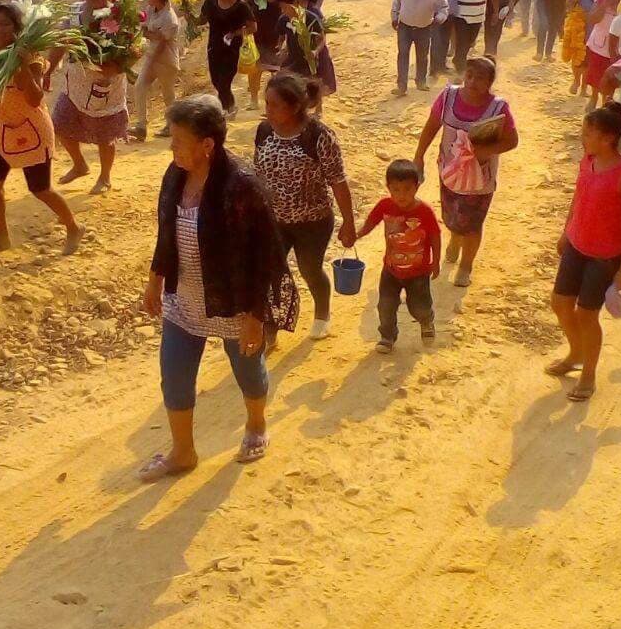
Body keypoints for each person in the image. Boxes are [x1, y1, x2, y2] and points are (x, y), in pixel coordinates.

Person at [140, 95, 299, 478]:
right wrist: (155, 279)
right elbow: (166, 232)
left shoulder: (241, 187)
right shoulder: (175, 175)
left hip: (234, 300)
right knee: (174, 374)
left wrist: (254, 316)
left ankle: (257, 425)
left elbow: (263, 258)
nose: (171, 148)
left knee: (247, 369)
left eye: (178, 141)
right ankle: (183, 453)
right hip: (186, 296)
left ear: (207, 146)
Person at [546, 101, 621, 401]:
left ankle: (589, 373)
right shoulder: (587, 160)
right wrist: (565, 230)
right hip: (577, 243)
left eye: (588, 133)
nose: (582, 138)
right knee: (560, 303)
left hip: (604, 255)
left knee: (587, 315)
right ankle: (575, 352)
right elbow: (578, 196)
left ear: (608, 138)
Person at [0, 3, 83, 254]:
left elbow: (34, 98)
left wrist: (21, 65)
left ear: (17, 28)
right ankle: (1, 236)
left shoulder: (30, 57)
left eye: (6, 24)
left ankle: (74, 227)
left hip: (28, 130)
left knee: (40, 188)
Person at [255, 73, 355, 339]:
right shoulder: (264, 132)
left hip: (313, 220)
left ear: (295, 106)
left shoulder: (318, 136)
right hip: (274, 220)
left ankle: (322, 313)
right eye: (266, 103)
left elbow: (337, 180)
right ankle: (271, 327)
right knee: (269, 273)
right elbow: (258, 175)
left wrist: (349, 222)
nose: (268, 110)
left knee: (309, 268)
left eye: (274, 105)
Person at [413, 55, 518, 287]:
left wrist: (486, 151)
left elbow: (512, 141)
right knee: (452, 214)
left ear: (489, 83)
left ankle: (465, 266)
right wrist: (418, 156)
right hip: (449, 173)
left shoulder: (498, 108)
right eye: (469, 76)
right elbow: (431, 126)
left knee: (473, 222)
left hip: (480, 179)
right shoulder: (448, 96)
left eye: (480, 78)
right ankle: (454, 239)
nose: (472, 82)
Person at [50, 0, 129, 193]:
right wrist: (47, 71)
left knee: (105, 133)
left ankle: (105, 177)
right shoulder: (74, 12)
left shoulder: (118, 14)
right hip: (75, 82)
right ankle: (79, 164)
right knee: (60, 123)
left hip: (106, 83)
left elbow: (131, 48)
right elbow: (60, 42)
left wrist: (112, 66)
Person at [356, 160, 441, 354]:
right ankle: (387, 336)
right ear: (388, 188)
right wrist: (357, 235)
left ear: (417, 187)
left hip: (418, 272)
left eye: (407, 189)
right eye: (396, 189)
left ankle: (426, 320)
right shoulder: (385, 206)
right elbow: (371, 223)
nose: (402, 195)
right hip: (391, 269)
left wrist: (435, 261)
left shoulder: (424, 211)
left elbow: (435, 235)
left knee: (419, 306)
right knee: (385, 305)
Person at [196, 0, 255, 117]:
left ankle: (223, 112)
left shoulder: (241, 6)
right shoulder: (210, 2)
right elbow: (201, 20)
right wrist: (188, 14)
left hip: (233, 49)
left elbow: (253, 27)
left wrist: (235, 33)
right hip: (214, 47)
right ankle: (231, 105)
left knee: (225, 80)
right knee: (216, 81)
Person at [391, 0, 449, 96]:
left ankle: (421, 81)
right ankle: (402, 86)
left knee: (422, 56)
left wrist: (439, 18)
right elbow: (397, 1)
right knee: (403, 54)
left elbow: (444, 8)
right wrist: (394, 17)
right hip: (404, 25)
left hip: (424, 27)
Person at [132, 0, 182, 140]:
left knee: (168, 94)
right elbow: (148, 30)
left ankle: (172, 125)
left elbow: (161, 41)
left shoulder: (170, 18)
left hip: (166, 60)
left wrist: (149, 36)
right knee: (139, 86)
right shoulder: (151, 10)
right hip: (152, 57)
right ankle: (141, 126)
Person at [241, 0, 285, 109]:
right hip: (257, 38)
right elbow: (242, 8)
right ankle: (254, 100)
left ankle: (275, 102)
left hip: (277, 39)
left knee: (277, 73)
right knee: (255, 70)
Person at [563, 0, 609, 96]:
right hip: (580, 29)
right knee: (577, 58)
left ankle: (584, 88)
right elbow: (569, 2)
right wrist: (576, 14)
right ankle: (576, 81)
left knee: (589, 61)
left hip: (597, 31)